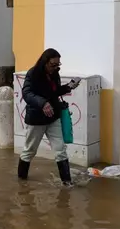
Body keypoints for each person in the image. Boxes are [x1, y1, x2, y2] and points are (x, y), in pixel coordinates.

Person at [17, 48, 80, 185]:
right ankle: (21, 183)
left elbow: (55, 92)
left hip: (53, 118)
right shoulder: (33, 74)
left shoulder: (54, 74)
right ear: (45, 62)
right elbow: (27, 94)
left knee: (60, 150)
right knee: (29, 151)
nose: (56, 68)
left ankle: (67, 183)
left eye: (58, 65)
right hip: (36, 119)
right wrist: (43, 103)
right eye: (53, 65)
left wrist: (69, 87)